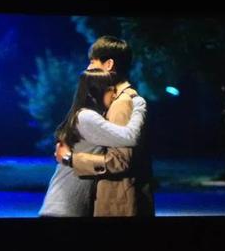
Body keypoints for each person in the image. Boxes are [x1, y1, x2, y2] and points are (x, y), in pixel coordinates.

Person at [55, 36, 155, 216]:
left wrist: (72, 159)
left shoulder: (122, 103)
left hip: (119, 202)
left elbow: (120, 161)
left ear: (109, 65)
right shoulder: (117, 99)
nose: (88, 68)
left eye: (92, 62)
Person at [39, 69, 147, 217]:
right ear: (95, 93)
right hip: (64, 207)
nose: (114, 95)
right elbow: (131, 137)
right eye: (110, 90)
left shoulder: (85, 116)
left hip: (66, 205)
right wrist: (139, 106)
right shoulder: (86, 117)